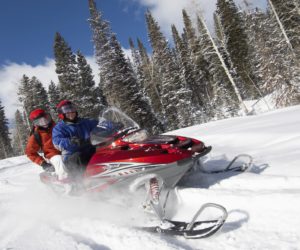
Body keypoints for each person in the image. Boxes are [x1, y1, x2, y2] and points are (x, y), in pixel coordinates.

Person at [52, 100, 118, 177]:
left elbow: (101, 125)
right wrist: (71, 141)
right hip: (72, 155)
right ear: (62, 114)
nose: (70, 112)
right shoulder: (59, 128)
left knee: (108, 151)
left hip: (91, 149)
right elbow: (57, 141)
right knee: (79, 157)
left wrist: (113, 125)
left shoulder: (86, 122)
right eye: (67, 110)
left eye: (72, 109)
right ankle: (80, 185)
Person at [25, 108, 68, 181]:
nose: (44, 122)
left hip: (66, 150)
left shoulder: (58, 127)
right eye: (40, 121)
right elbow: (30, 152)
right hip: (53, 156)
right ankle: (67, 185)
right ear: (35, 123)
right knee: (59, 160)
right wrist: (43, 163)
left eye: (46, 118)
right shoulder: (36, 135)